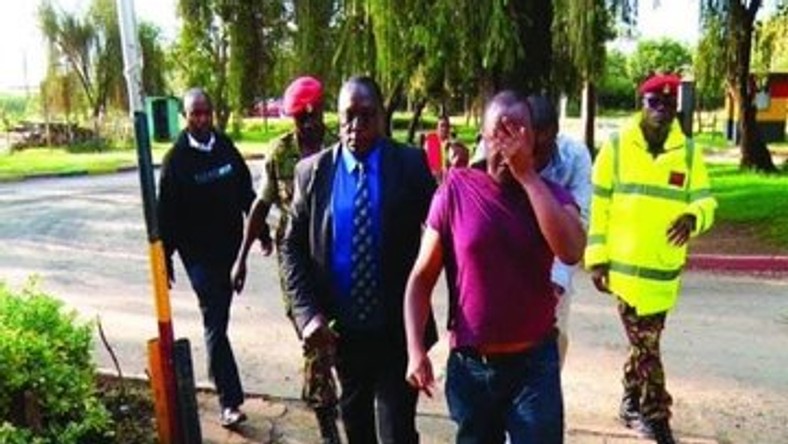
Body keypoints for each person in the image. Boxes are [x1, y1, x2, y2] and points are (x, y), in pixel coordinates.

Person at [404, 90, 586, 443]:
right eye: (498, 136)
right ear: (484, 140)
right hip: (473, 370)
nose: (507, 148)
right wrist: (415, 350)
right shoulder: (455, 190)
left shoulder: (551, 195)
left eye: (517, 136)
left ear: (534, 141)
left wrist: (529, 178)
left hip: (533, 368)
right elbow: (420, 279)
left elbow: (571, 250)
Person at [280, 76, 438, 444]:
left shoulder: (410, 166)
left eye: (366, 115)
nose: (356, 126)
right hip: (342, 336)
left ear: (382, 117)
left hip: (397, 332)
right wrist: (307, 315)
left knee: (396, 432)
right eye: (348, 116)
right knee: (357, 431)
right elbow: (292, 247)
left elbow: (442, 233)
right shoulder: (313, 173)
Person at [585, 74, 717, 444]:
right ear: (640, 104)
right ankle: (656, 416)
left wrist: (695, 217)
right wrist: (597, 258)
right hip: (624, 273)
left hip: (663, 274)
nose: (661, 111)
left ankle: (629, 399)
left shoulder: (689, 153)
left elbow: (706, 200)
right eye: (653, 103)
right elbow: (600, 205)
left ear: (676, 108)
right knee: (648, 346)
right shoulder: (615, 147)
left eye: (668, 105)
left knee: (645, 343)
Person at [231, 76, 341, 443]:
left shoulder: (340, 148)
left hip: (335, 258)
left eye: (313, 117)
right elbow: (261, 205)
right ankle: (327, 423)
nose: (308, 126)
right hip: (296, 266)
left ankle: (340, 404)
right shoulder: (280, 153)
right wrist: (241, 257)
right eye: (300, 119)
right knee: (314, 342)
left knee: (340, 338)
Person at [157, 88, 255, 428]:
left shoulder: (225, 147)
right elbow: (165, 216)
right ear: (185, 117)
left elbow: (246, 191)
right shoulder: (175, 162)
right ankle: (230, 402)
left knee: (219, 321)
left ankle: (223, 386)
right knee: (214, 319)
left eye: (206, 113)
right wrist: (165, 259)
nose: (201, 120)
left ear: (212, 114)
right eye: (194, 114)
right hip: (199, 257)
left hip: (231, 251)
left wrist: (263, 233)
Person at [526, 94, 592, 369]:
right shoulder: (493, 148)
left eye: (545, 148)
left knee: (552, 344)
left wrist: (557, 282)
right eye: (531, 148)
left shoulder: (575, 157)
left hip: (555, 265)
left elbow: (578, 227)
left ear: (556, 135)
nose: (536, 159)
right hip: (504, 261)